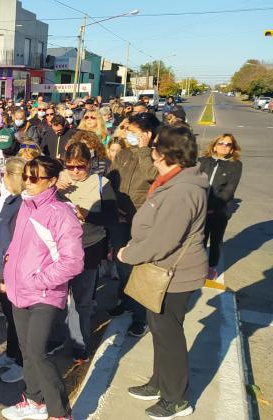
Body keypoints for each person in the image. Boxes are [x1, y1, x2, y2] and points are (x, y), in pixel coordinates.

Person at [117, 125, 207, 420]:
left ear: (166, 153)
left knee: (170, 337)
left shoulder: (182, 190)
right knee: (160, 332)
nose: (151, 150)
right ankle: (159, 383)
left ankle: (176, 399)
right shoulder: (174, 180)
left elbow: (163, 239)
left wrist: (129, 253)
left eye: (155, 146)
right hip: (164, 271)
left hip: (174, 275)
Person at [0, 156, 83, 420]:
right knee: (26, 350)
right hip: (19, 290)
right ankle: (35, 402)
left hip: (44, 294)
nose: (28, 181)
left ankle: (60, 413)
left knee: (37, 353)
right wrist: (8, 272)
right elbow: (17, 245)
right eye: (26, 175)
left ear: (53, 181)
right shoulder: (26, 205)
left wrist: (38, 280)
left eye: (35, 177)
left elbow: (73, 262)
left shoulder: (61, 213)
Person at [52, 143, 117, 362]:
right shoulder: (57, 179)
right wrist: (51, 187)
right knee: (57, 297)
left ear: (89, 164)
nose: (75, 171)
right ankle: (57, 337)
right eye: (70, 166)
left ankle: (80, 344)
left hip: (88, 248)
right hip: (58, 250)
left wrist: (86, 215)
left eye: (80, 166)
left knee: (82, 300)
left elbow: (110, 218)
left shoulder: (102, 183)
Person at [106, 112, 161, 336]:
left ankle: (141, 317)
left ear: (148, 135)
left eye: (134, 132)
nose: (128, 135)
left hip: (141, 218)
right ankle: (125, 301)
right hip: (119, 218)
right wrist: (112, 205)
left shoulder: (155, 155)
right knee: (122, 264)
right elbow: (111, 179)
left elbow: (152, 176)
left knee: (137, 269)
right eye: (128, 131)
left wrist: (145, 150)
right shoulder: (123, 155)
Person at [0, 157, 26, 384]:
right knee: (10, 319)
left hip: (11, 272)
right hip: (2, 269)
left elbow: (16, 244)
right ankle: (11, 354)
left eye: (5, 175)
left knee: (18, 319)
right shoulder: (12, 200)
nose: (2, 178)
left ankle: (21, 363)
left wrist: (4, 274)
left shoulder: (22, 206)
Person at [198, 134, 242, 280]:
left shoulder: (235, 165)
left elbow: (229, 191)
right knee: (199, 240)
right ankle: (198, 267)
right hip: (200, 209)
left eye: (228, 144)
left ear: (232, 149)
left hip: (219, 211)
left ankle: (211, 267)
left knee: (215, 241)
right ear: (214, 145)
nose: (224, 146)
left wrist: (211, 207)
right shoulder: (202, 161)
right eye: (221, 143)